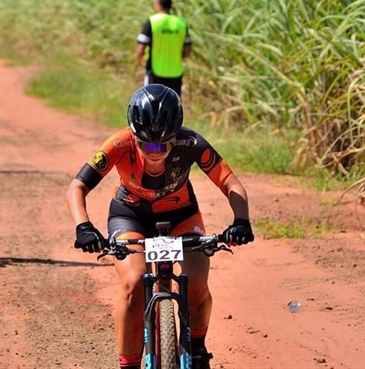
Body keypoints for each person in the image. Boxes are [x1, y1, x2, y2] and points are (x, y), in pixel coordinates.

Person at [65, 84, 254, 369]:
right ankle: (128, 364)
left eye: (163, 145)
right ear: (134, 135)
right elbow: (77, 187)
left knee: (197, 280)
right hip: (130, 216)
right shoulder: (118, 144)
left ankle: (198, 349)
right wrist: (84, 227)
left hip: (182, 216)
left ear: (175, 136)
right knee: (133, 284)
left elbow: (230, 182)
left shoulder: (191, 143)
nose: (155, 153)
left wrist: (241, 220)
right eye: (146, 145)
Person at [136, 0, 192, 98]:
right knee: (172, 107)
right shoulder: (181, 23)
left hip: (155, 72)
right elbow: (187, 50)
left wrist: (139, 62)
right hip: (175, 73)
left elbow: (141, 48)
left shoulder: (153, 21)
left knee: (152, 107)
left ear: (158, 4)